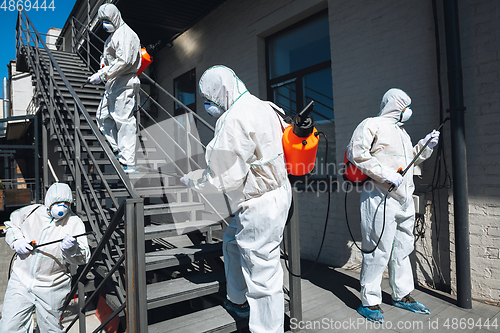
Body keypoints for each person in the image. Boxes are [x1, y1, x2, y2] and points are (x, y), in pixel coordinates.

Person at [180, 65, 292, 333]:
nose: (207, 106)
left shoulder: (234, 118)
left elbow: (224, 176)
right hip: (277, 191)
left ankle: (268, 329)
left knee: (262, 272)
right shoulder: (265, 106)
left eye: (208, 99)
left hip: (259, 203)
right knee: (231, 243)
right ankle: (237, 300)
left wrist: (195, 181)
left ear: (220, 92)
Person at [346, 88, 440, 323]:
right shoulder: (371, 124)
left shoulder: (403, 134)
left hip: (404, 199)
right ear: (396, 106)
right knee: (377, 249)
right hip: (379, 197)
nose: (408, 111)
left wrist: (425, 146)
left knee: (403, 249)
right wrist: (385, 174)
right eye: (405, 106)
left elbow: (410, 162)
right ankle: (369, 301)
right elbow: (355, 152)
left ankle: (402, 294)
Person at [0, 182, 91, 333]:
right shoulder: (32, 212)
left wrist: (72, 249)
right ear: (48, 202)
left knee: (51, 329)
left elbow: (83, 258)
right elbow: (11, 225)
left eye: (65, 203)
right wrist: (17, 241)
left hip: (52, 285)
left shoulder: (74, 223)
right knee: (10, 326)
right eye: (57, 202)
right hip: (21, 280)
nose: (61, 207)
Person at [88, 3, 142, 173]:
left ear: (115, 17)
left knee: (123, 120)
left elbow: (124, 60)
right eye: (102, 20)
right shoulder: (112, 37)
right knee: (102, 116)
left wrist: (103, 74)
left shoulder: (127, 34)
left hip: (124, 82)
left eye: (107, 20)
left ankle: (129, 162)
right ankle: (118, 150)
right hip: (113, 83)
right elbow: (112, 60)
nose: (105, 24)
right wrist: (103, 68)